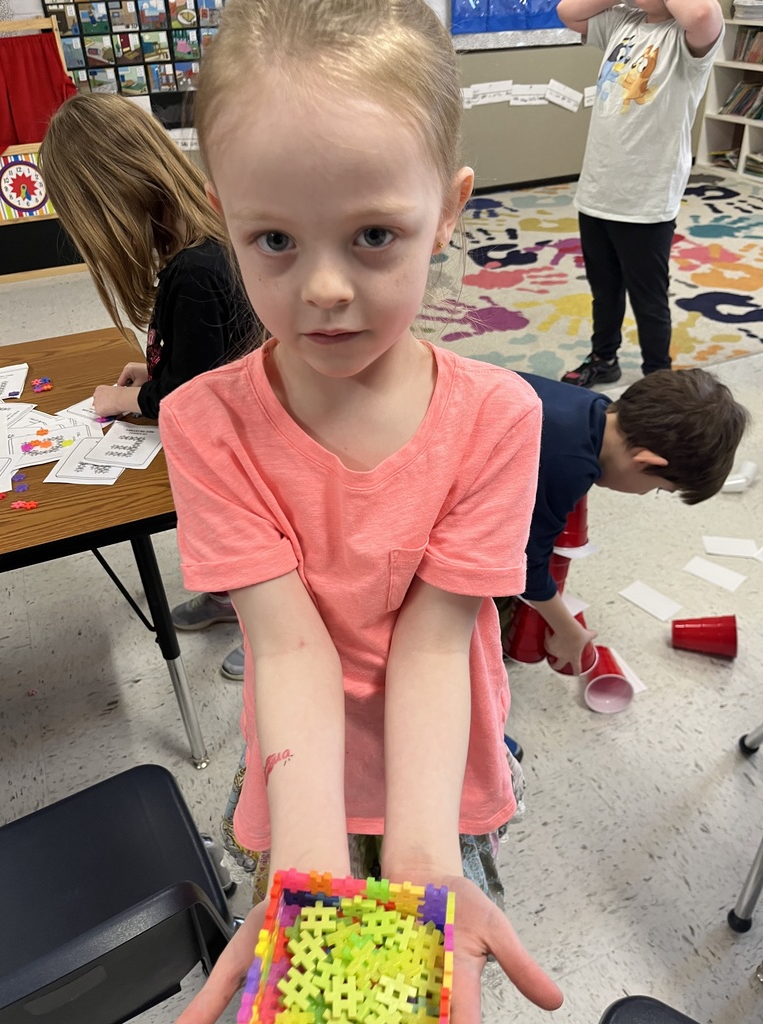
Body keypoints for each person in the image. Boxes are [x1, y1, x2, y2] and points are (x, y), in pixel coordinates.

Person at [158, 1, 564, 1021]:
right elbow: (286, 649)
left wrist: (422, 867)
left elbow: (436, 647)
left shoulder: (499, 419)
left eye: (375, 234)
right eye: (276, 240)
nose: (325, 288)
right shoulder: (206, 423)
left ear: (451, 207)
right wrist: (305, 874)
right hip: (300, 778)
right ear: (225, 215)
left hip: (439, 773)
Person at [495, 368, 749, 675]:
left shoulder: (593, 406)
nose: (645, 494)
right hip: (427, 490)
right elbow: (525, 564)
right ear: (646, 461)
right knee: (493, 597)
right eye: (657, 488)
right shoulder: (569, 465)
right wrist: (568, 631)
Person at [39, 93, 257, 421]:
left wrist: (127, 399)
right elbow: (212, 366)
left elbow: (191, 400)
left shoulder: (194, 274)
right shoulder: (203, 250)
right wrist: (159, 375)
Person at [556, 0, 725, 387]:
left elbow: (700, 14)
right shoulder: (622, 22)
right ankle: (604, 358)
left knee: (648, 297)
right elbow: (567, 11)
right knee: (605, 288)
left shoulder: (688, 37)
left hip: (645, 197)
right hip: (599, 187)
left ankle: (657, 376)